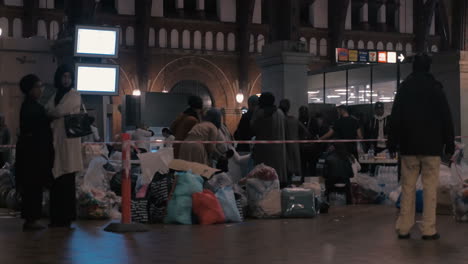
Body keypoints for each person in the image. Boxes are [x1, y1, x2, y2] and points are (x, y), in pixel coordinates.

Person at [388, 53, 455, 240]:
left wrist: (392, 142)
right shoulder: (436, 88)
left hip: (408, 147)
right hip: (431, 147)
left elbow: (395, 117)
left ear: (413, 67)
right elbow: (446, 118)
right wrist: (449, 144)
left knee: (408, 187)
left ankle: (404, 227)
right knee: (429, 189)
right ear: (428, 68)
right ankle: (428, 229)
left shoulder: (404, 88)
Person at [46, 64, 83, 228]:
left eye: (69, 77)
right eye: (64, 77)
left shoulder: (74, 95)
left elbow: (57, 111)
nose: (66, 80)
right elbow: (49, 109)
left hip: (68, 145)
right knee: (56, 182)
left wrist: (51, 113)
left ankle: (66, 217)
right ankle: (56, 217)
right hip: (56, 144)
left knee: (66, 181)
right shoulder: (55, 95)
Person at [15, 74, 54, 231]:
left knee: (33, 186)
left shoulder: (30, 106)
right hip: (32, 154)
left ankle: (31, 218)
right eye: (38, 86)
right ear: (30, 89)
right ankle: (31, 219)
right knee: (33, 186)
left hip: (31, 152)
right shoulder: (32, 108)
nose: (40, 90)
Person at [251, 92, 288, 187]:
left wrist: (255, 112)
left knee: (266, 180)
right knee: (278, 176)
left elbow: (253, 128)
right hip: (280, 150)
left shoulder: (262, 113)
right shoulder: (280, 113)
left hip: (266, 152)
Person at [279, 99, 302, 184]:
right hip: (293, 147)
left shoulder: (280, 119)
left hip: (282, 148)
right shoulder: (293, 120)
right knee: (294, 169)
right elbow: (305, 131)